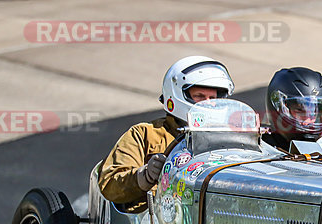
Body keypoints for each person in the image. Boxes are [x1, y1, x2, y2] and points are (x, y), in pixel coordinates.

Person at [98, 56, 235, 205]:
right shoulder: (144, 134)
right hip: (156, 220)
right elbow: (109, 183)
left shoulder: (231, 138)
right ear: (175, 95)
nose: (208, 103)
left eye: (213, 98)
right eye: (199, 97)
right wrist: (144, 176)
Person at [262, 67, 322, 152]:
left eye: (315, 113)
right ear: (278, 107)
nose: (309, 121)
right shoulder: (261, 150)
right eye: (300, 110)